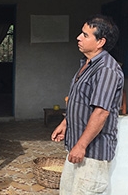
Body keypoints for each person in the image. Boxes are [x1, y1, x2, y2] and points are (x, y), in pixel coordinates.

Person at [51, 14, 124, 194]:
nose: (78, 37)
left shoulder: (106, 70)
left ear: (100, 42)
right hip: (77, 149)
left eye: (85, 35)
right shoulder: (87, 65)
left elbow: (101, 112)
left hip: (92, 153)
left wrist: (81, 146)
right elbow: (80, 101)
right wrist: (65, 122)